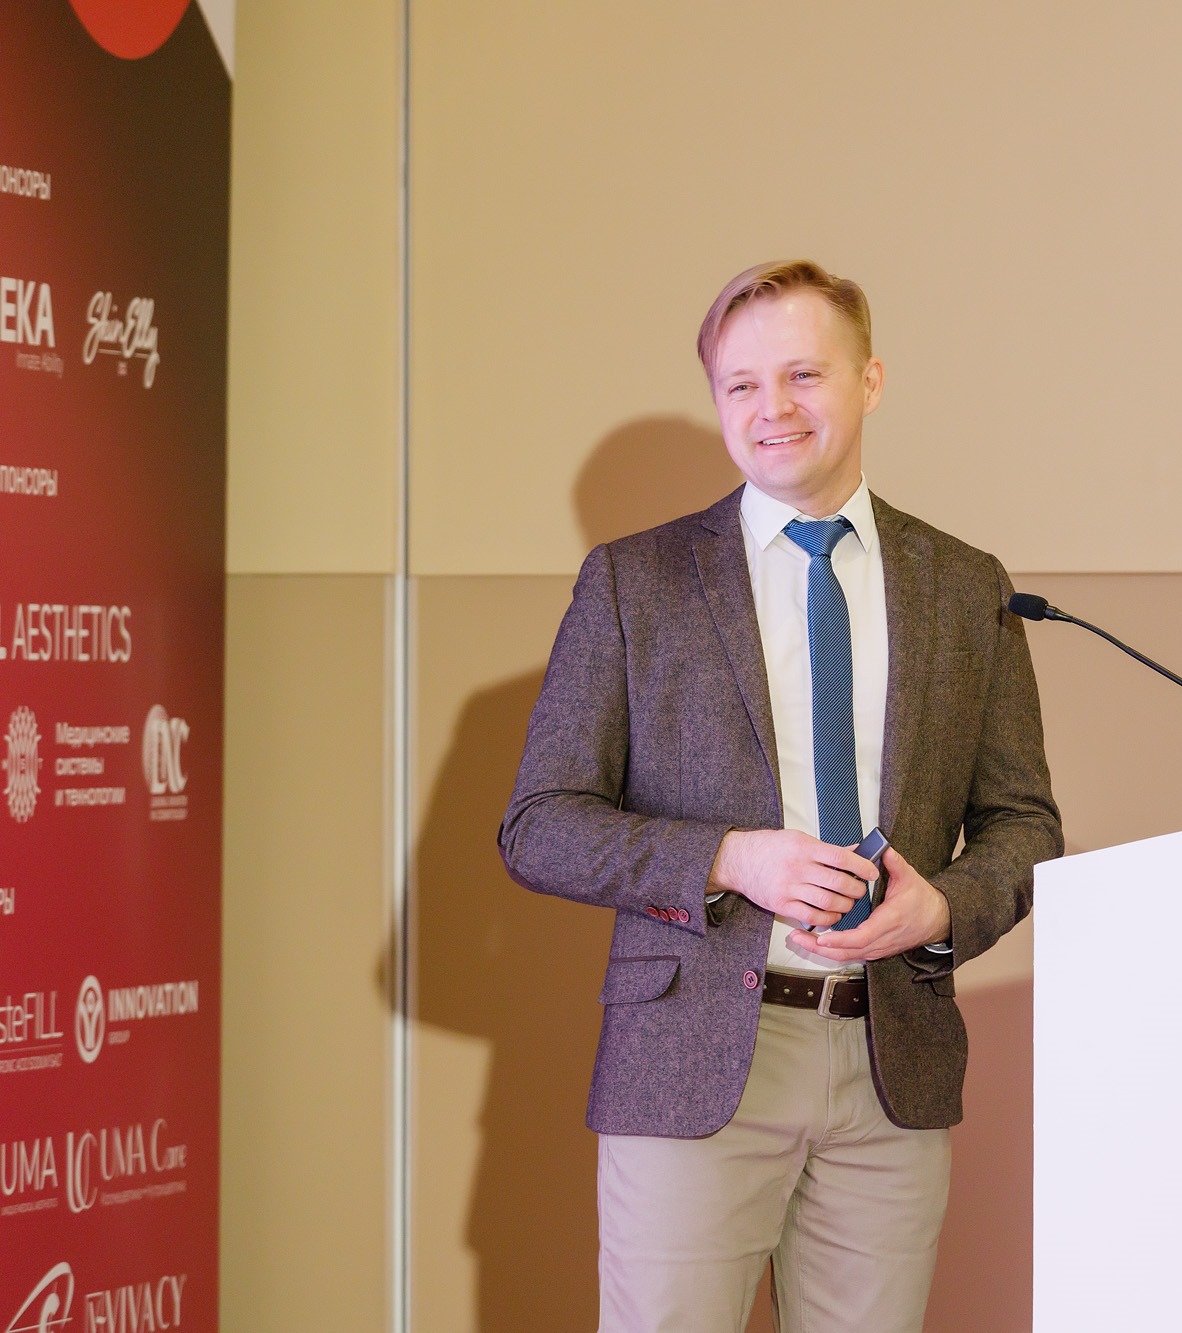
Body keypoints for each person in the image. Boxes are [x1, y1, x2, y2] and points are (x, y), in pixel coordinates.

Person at [498, 259, 1062, 1333]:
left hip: (891, 1061)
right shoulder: (635, 581)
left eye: (804, 374)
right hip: (692, 1063)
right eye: (742, 384)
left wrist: (943, 907)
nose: (774, 409)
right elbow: (539, 824)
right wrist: (728, 857)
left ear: (871, 380)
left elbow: (1023, 823)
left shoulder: (964, 584)